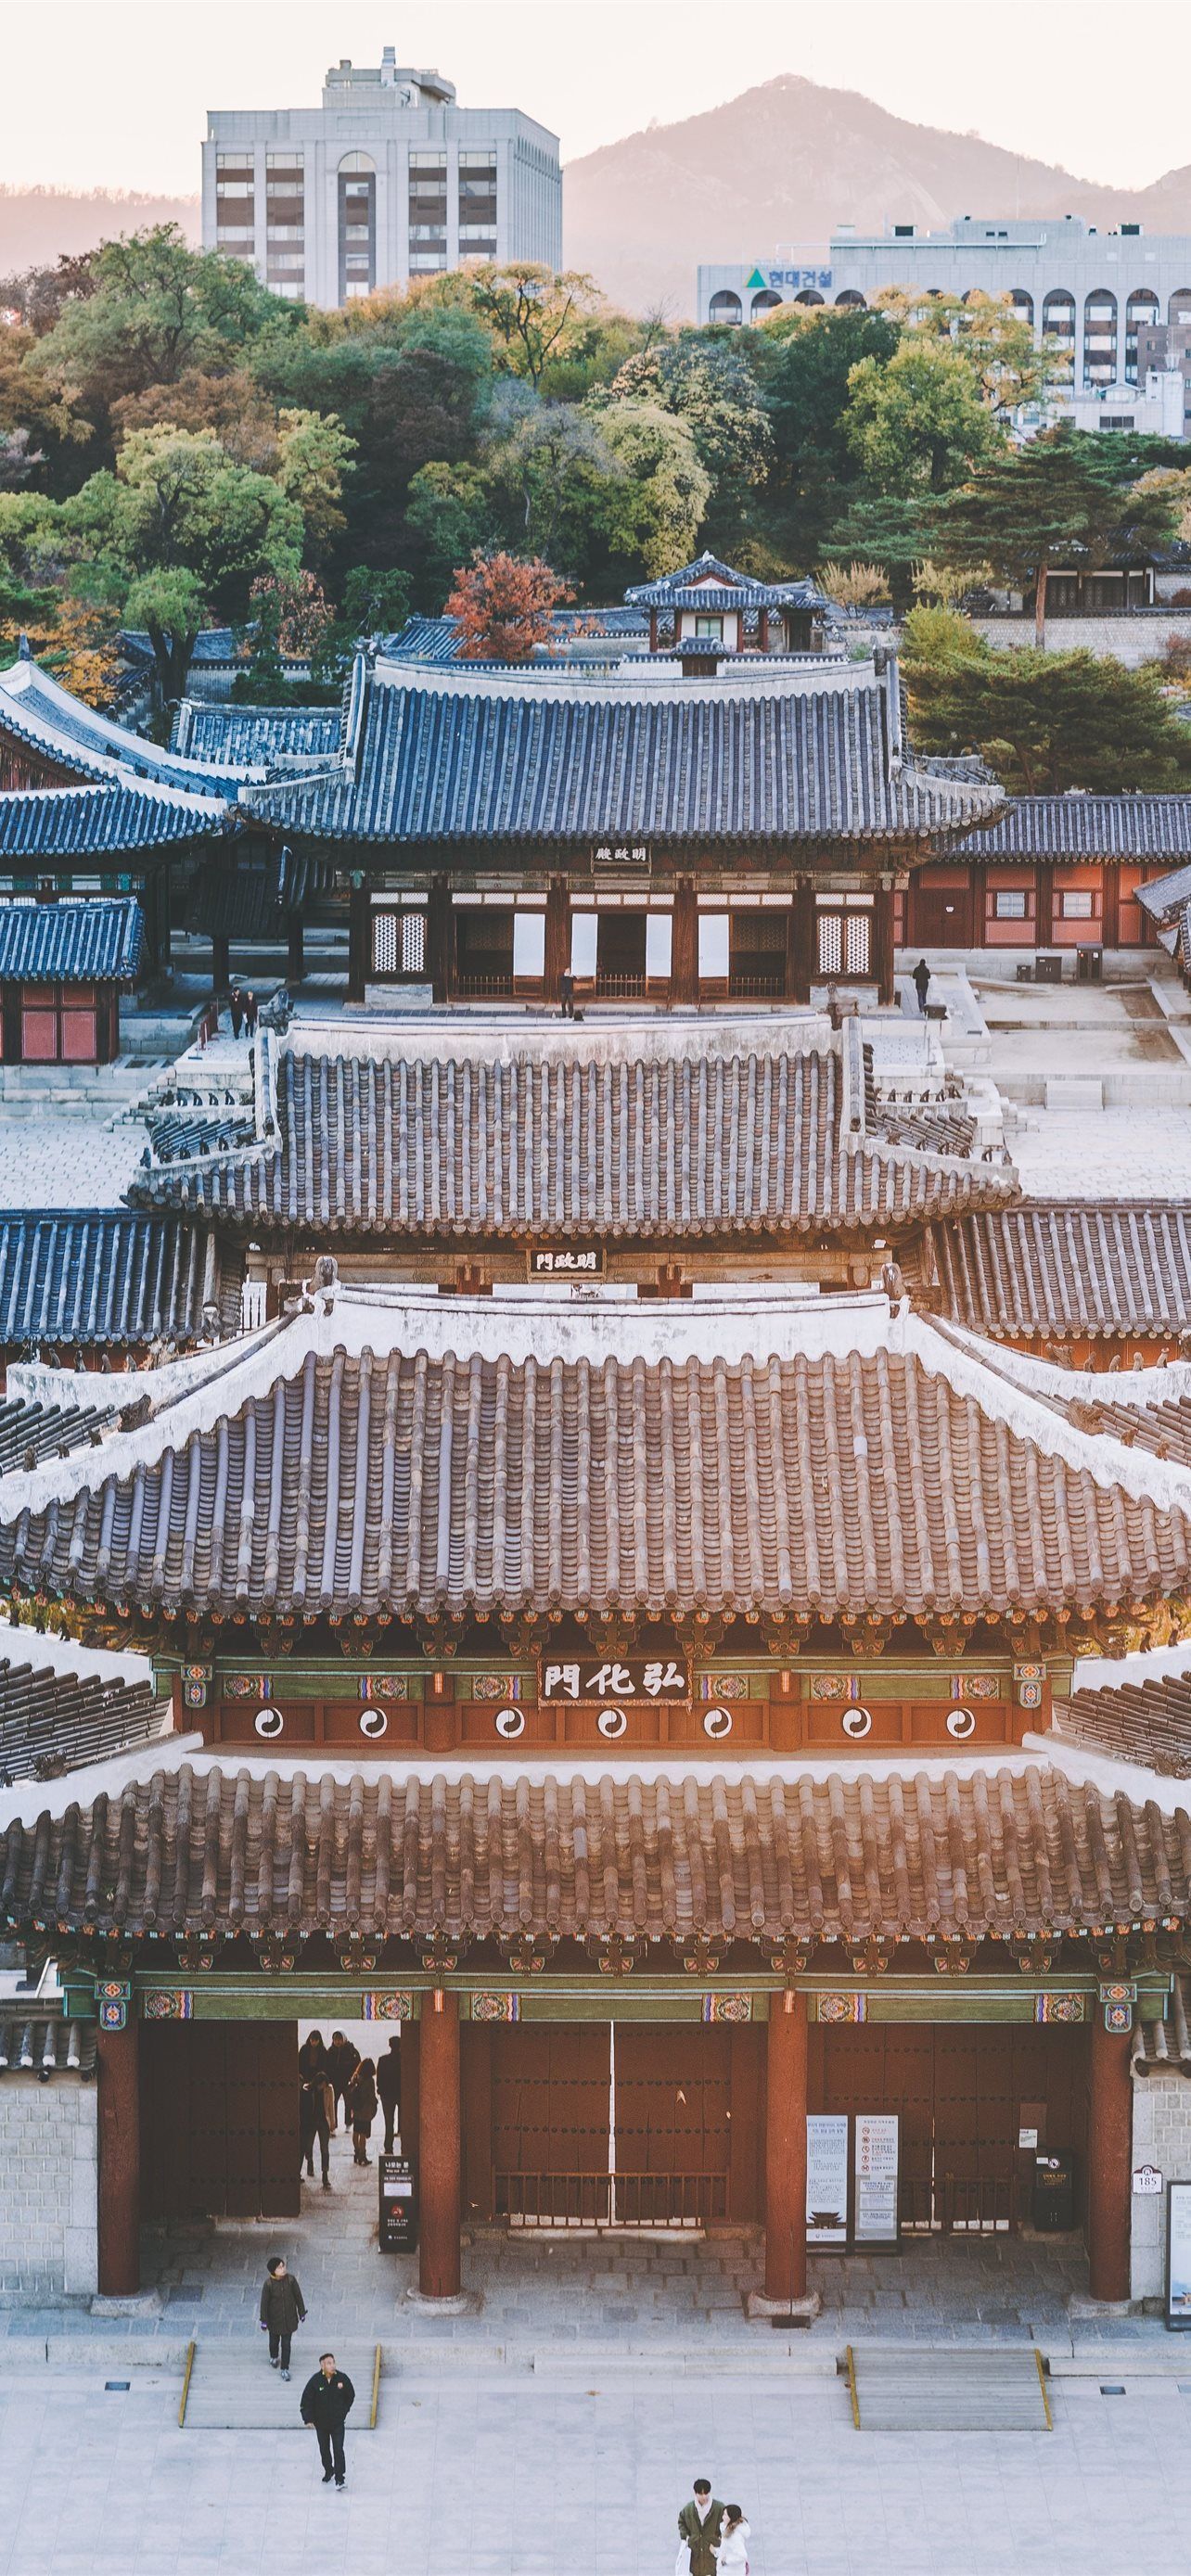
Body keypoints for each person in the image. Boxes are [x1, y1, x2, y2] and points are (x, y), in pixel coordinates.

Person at [300, 2351, 355, 2490]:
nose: (332, 2366)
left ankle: (340, 2479)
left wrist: (344, 2411)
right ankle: (328, 2470)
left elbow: (351, 2395)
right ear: (322, 2365)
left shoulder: (342, 2379)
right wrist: (308, 2418)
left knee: (338, 2449)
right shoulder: (315, 2381)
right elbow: (306, 2401)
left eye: (333, 2362)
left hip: (337, 2423)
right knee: (324, 2449)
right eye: (329, 2363)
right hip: (322, 2424)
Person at [259, 2252, 306, 2381]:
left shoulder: (291, 2280)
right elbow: (264, 2303)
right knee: (274, 2342)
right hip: (274, 2321)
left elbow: (298, 2297)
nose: (283, 2269)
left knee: (286, 2345)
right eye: (279, 2267)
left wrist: (301, 2312)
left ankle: (285, 2368)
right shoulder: (268, 2284)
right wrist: (264, 2320)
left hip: (289, 2321)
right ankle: (274, 2356)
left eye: (283, 2266)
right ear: (273, 2271)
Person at [677, 2479, 724, 2576]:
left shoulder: (719, 2508)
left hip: (712, 2550)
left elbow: (727, 2523)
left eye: (706, 2493)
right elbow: (681, 2522)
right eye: (701, 2494)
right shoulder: (689, 2509)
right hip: (695, 2552)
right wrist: (687, 2537)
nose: (704, 2496)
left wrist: (720, 2538)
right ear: (695, 2493)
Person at [300, 2072, 332, 2188]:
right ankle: (310, 2163)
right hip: (311, 2122)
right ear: (318, 2082)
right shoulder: (307, 2090)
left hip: (323, 2121)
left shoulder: (328, 2090)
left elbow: (330, 2107)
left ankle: (325, 2175)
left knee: (325, 2149)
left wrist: (333, 2123)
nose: (324, 2087)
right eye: (323, 2084)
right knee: (308, 2145)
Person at [347, 2054, 378, 2164]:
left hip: (356, 2109)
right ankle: (362, 2156)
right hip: (365, 2110)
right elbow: (370, 2096)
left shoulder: (356, 2076)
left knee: (356, 2132)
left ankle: (356, 2152)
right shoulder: (370, 2081)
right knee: (363, 2135)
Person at [327, 2030, 360, 2124]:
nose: (338, 2042)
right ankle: (334, 2124)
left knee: (349, 2104)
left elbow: (357, 2065)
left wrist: (354, 2079)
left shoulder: (351, 2050)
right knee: (333, 2104)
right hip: (334, 2083)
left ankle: (348, 2123)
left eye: (340, 2039)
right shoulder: (330, 2051)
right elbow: (327, 2067)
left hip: (348, 2083)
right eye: (336, 2039)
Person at [376, 2034, 402, 2153]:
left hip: (387, 2095)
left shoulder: (383, 2060)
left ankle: (388, 2147)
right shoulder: (404, 2060)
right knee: (403, 2121)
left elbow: (379, 2078)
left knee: (389, 2122)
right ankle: (405, 2146)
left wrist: (380, 2090)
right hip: (401, 2094)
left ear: (390, 2045)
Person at [716, 2506, 751, 2571]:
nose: (722, 2517)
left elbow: (742, 2556)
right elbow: (728, 2551)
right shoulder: (729, 2532)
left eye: (725, 2515)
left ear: (731, 2517)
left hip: (731, 2572)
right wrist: (716, 2551)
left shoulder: (733, 2536)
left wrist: (725, 2561)